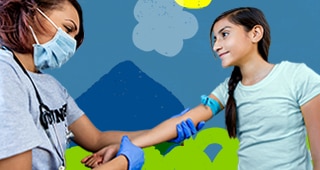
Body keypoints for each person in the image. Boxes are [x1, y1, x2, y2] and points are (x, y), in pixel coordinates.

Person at [86, 7, 320, 170]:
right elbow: (182, 121)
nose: (217, 45)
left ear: (255, 33)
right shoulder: (228, 90)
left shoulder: (296, 76)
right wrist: (123, 146)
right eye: (214, 39)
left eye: (224, 35)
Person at [0, 0, 204, 170]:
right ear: (30, 12)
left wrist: (165, 133)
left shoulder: (52, 86)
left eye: (74, 37)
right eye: (68, 29)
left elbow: (96, 139)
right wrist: (122, 163)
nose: (70, 44)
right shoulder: (5, 74)